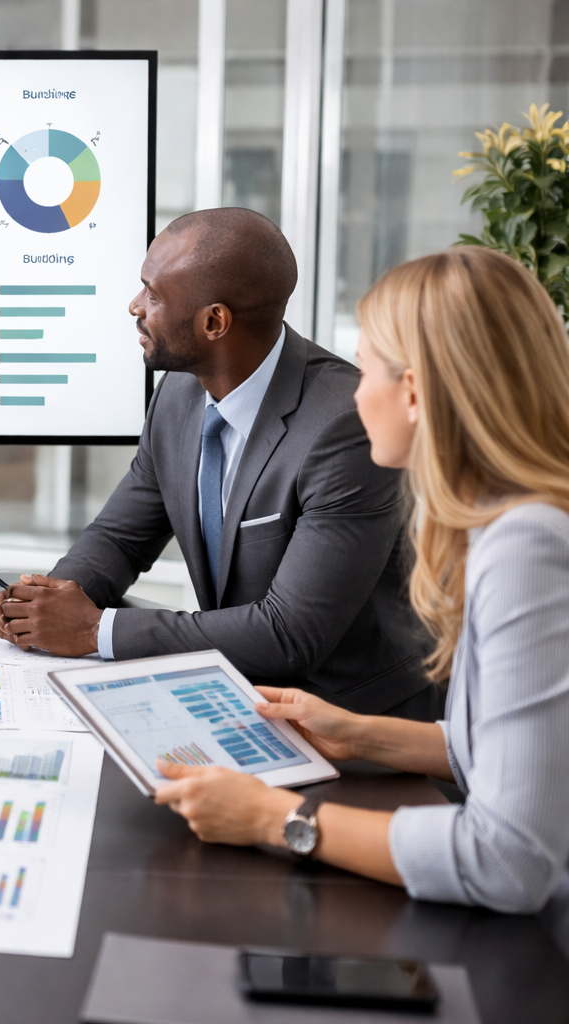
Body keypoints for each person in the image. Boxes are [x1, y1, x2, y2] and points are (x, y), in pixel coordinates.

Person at [152, 247, 569, 911]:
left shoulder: (527, 547)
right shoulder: (505, 523)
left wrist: (273, 818)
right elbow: (504, 750)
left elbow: (508, 861)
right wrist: (356, 732)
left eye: (367, 367)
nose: (352, 392)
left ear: (414, 393)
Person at [0, 208, 435, 718]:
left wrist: (93, 629)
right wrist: (41, 605)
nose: (134, 305)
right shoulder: (178, 393)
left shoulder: (344, 427)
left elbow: (289, 633)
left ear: (214, 322)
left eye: (153, 295)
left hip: (356, 719)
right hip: (239, 696)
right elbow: (121, 538)